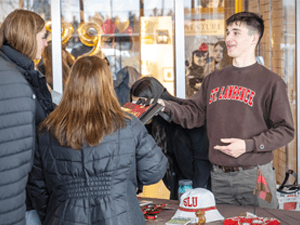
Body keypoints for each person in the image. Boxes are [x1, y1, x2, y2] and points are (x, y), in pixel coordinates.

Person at [157, 12, 294, 209]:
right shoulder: (214, 79)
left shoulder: (271, 82)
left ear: (253, 38)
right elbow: (194, 114)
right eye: (227, 32)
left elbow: (286, 131)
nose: (228, 38)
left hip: (256, 177)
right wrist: (165, 106)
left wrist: (248, 145)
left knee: (264, 222)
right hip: (219, 177)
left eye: (236, 33)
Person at [27, 55, 167, 225]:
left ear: (72, 84)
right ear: (107, 85)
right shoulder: (129, 126)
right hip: (121, 216)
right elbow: (154, 171)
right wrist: (125, 179)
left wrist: (53, 215)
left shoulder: (47, 129)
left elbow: (37, 187)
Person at [0, 9, 51, 225]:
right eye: (43, 37)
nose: (46, 43)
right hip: (26, 201)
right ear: (28, 38)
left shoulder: (23, 73)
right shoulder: (16, 80)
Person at [130, 77, 211, 200]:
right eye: (134, 104)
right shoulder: (146, 125)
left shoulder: (184, 117)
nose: (138, 110)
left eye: (141, 104)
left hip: (198, 185)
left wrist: (199, 192)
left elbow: (202, 159)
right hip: (176, 185)